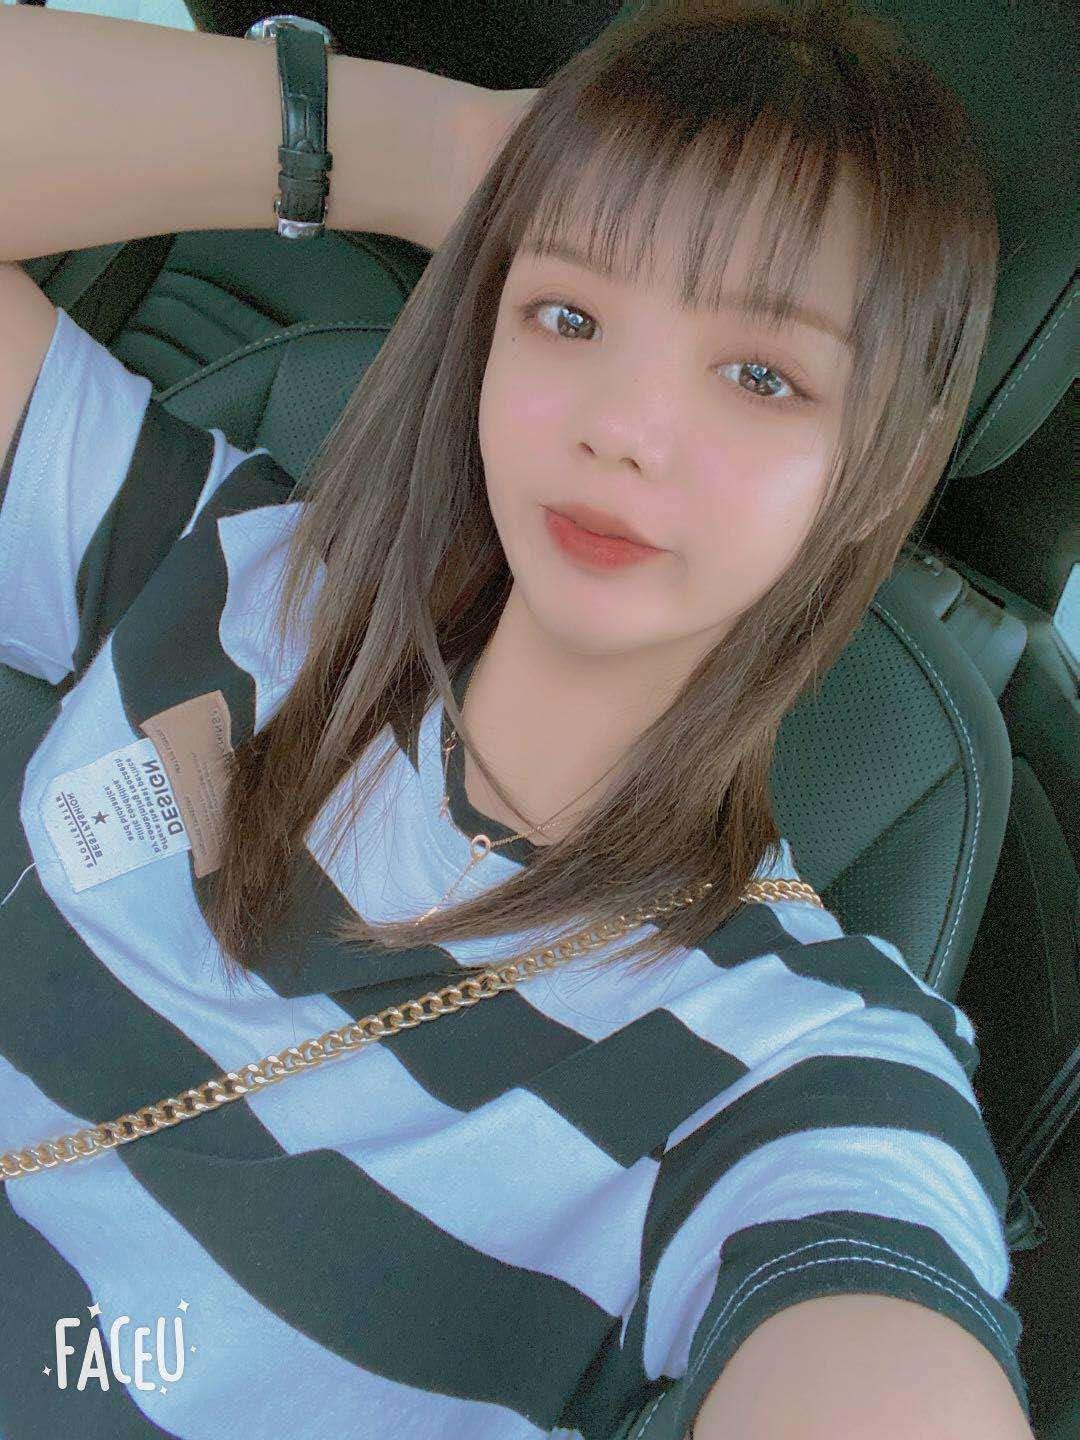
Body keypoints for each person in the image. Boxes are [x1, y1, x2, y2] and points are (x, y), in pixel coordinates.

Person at [0, 1, 1035, 1437]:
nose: (622, 426)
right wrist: (448, 151)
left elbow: (878, 1348)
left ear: (883, 462)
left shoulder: (789, 1061)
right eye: (568, 314)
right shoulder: (222, 571)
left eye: (761, 375)